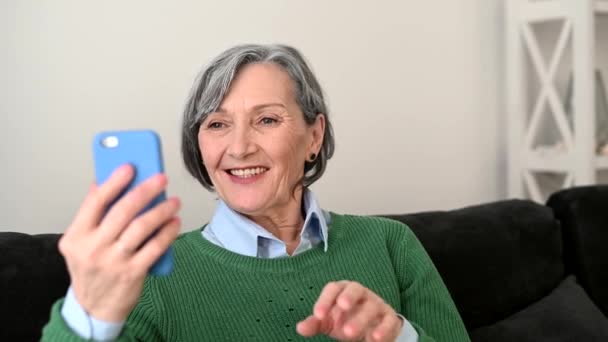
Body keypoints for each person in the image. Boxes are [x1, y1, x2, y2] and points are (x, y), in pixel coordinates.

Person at [42, 44, 470, 341]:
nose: (240, 146)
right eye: (216, 124)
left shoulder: (390, 244)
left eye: (266, 120)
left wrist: (397, 335)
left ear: (314, 136)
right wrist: (87, 313)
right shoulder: (150, 277)